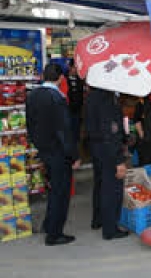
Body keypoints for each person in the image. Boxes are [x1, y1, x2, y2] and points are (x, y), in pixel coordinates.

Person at [26, 64, 80, 246]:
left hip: (44, 150)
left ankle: (49, 225)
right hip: (59, 153)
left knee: (52, 190)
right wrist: (74, 155)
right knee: (60, 193)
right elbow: (64, 131)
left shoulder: (33, 95)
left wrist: (39, 145)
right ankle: (54, 234)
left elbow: (30, 125)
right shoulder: (57, 98)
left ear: (43, 76)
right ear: (60, 79)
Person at [85, 87, 129, 240]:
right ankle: (110, 229)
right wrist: (119, 160)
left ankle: (98, 220)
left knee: (100, 185)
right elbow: (111, 131)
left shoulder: (92, 95)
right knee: (112, 190)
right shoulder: (107, 99)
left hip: (96, 147)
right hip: (108, 149)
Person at [65, 59, 85, 148]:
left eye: (77, 68)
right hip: (66, 110)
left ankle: (75, 149)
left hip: (77, 110)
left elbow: (81, 94)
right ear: (69, 67)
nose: (76, 70)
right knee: (67, 131)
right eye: (74, 67)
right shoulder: (63, 78)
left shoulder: (80, 79)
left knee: (76, 130)